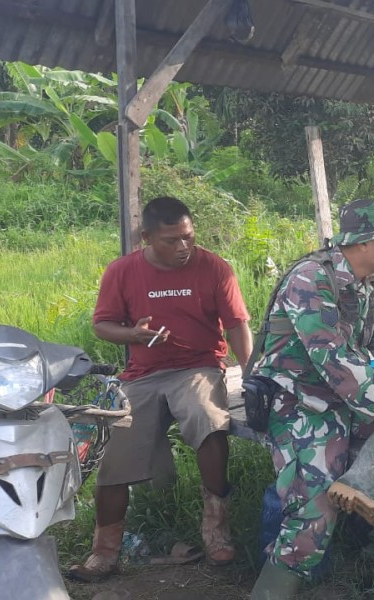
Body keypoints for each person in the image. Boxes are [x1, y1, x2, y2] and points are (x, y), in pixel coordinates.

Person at [248, 199, 374, 599]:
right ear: (363, 242)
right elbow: (332, 357)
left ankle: (365, 480)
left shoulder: (368, 284)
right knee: (315, 510)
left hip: (346, 399)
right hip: (298, 400)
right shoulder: (310, 279)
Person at [70, 196, 253, 581]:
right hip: (144, 373)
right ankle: (104, 551)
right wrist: (134, 334)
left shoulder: (214, 268)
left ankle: (216, 528)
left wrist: (251, 373)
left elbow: (237, 324)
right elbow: (102, 325)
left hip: (198, 367)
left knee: (209, 421)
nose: (183, 247)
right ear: (147, 238)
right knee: (115, 450)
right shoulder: (122, 271)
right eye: (172, 240)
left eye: (188, 237)